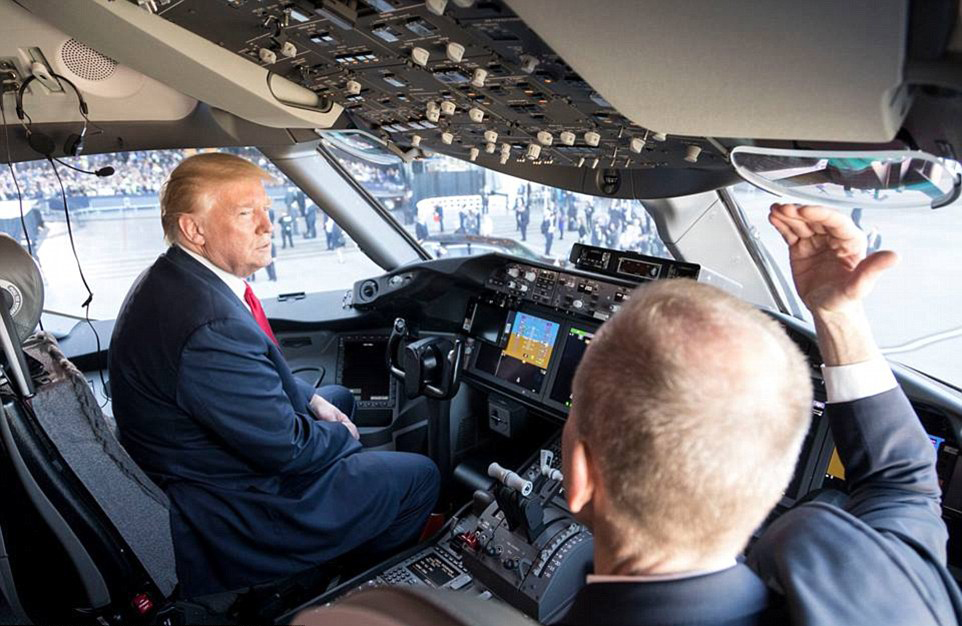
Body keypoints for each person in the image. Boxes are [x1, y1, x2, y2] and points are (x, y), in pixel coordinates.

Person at [557, 203, 961, 625]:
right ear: (771, 484)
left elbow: (902, 485)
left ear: (584, 477)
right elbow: (900, 486)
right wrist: (838, 316)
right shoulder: (891, 597)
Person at [108, 153, 439, 597]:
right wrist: (344, 437)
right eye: (246, 214)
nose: (268, 226)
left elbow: (244, 374)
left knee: (336, 397)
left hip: (201, 464)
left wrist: (314, 401)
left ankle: (345, 512)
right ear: (194, 229)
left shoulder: (175, 279)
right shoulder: (209, 325)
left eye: (266, 209)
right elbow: (288, 449)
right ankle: (342, 589)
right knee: (418, 476)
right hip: (235, 507)